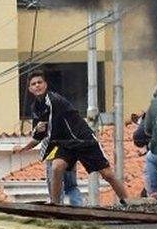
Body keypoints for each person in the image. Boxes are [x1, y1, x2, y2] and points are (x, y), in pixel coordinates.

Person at [24, 70, 128, 205]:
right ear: (30, 89)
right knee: (57, 167)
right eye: (33, 84)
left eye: (40, 82)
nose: (37, 86)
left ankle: (127, 200)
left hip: (83, 139)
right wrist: (24, 147)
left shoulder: (53, 100)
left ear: (46, 84)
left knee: (107, 174)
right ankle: (55, 205)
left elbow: (47, 134)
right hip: (65, 143)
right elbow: (39, 134)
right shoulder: (36, 107)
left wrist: (41, 144)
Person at [14, 112, 84, 206]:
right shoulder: (67, 114)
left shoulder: (46, 116)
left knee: (55, 188)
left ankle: (59, 211)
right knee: (71, 187)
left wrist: (24, 148)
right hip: (70, 154)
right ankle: (78, 208)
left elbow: (37, 139)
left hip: (53, 155)